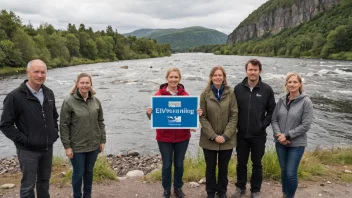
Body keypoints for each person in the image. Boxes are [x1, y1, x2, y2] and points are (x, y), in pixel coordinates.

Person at [0, 59, 59, 198]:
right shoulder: (15, 96)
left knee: (44, 182)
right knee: (28, 186)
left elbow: (54, 116)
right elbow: (5, 125)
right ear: (27, 73)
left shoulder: (49, 93)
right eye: (36, 72)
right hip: (28, 150)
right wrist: (25, 141)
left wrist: (53, 133)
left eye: (43, 72)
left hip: (46, 147)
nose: (40, 75)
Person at [146, 67, 200, 198]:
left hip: (182, 137)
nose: (173, 79)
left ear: (179, 79)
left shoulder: (186, 96)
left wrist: (196, 116)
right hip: (164, 137)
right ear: (167, 79)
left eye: (176, 77)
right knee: (166, 165)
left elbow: (189, 115)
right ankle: (166, 190)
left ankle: (178, 188)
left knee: (179, 164)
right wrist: (148, 113)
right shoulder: (158, 96)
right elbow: (154, 117)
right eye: (171, 77)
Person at [231, 59, 276, 198]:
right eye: (250, 69)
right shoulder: (238, 88)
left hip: (259, 135)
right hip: (241, 134)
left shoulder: (267, 89)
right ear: (246, 71)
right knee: (241, 163)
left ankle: (255, 190)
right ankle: (240, 187)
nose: (252, 72)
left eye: (255, 70)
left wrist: (262, 125)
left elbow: (271, 111)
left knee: (257, 164)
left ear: (259, 71)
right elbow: (233, 109)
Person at [60, 73, 106, 198]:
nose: (85, 85)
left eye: (87, 83)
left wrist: (102, 140)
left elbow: (100, 122)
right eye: (82, 83)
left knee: (89, 172)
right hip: (77, 146)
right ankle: (77, 196)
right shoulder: (69, 101)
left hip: (94, 145)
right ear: (77, 84)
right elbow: (63, 126)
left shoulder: (96, 101)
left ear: (91, 85)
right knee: (78, 173)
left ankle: (87, 195)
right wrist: (67, 146)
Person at [271, 72, 313, 198]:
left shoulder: (306, 102)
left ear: (300, 84)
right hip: (280, 142)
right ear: (286, 84)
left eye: (295, 82)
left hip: (296, 144)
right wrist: (279, 136)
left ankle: (290, 196)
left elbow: (306, 125)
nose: (292, 84)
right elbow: (274, 119)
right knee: (283, 171)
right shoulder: (282, 100)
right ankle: (284, 194)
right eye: (289, 82)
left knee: (290, 173)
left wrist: (287, 135)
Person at [199, 66, 238, 198]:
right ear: (211, 77)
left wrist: (226, 135)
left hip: (227, 139)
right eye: (215, 75)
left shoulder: (230, 93)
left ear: (224, 77)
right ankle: (210, 193)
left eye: (220, 75)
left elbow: (234, 115)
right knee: (210, 169)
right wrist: (214, 136)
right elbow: (202, 117)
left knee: (223, 169)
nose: (217, 77)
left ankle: (222, 192)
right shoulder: (204, 94)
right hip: (208, 139)